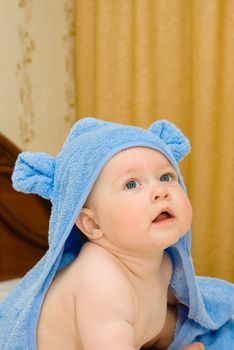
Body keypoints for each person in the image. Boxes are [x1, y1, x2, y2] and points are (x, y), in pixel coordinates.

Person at [0, 118, 233, 350]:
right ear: (92, 224)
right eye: (132, 184)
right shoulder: (101, 281)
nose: (160, 191)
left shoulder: (163, 262)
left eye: (166, 177)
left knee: (179, 322)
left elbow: (166, 311)